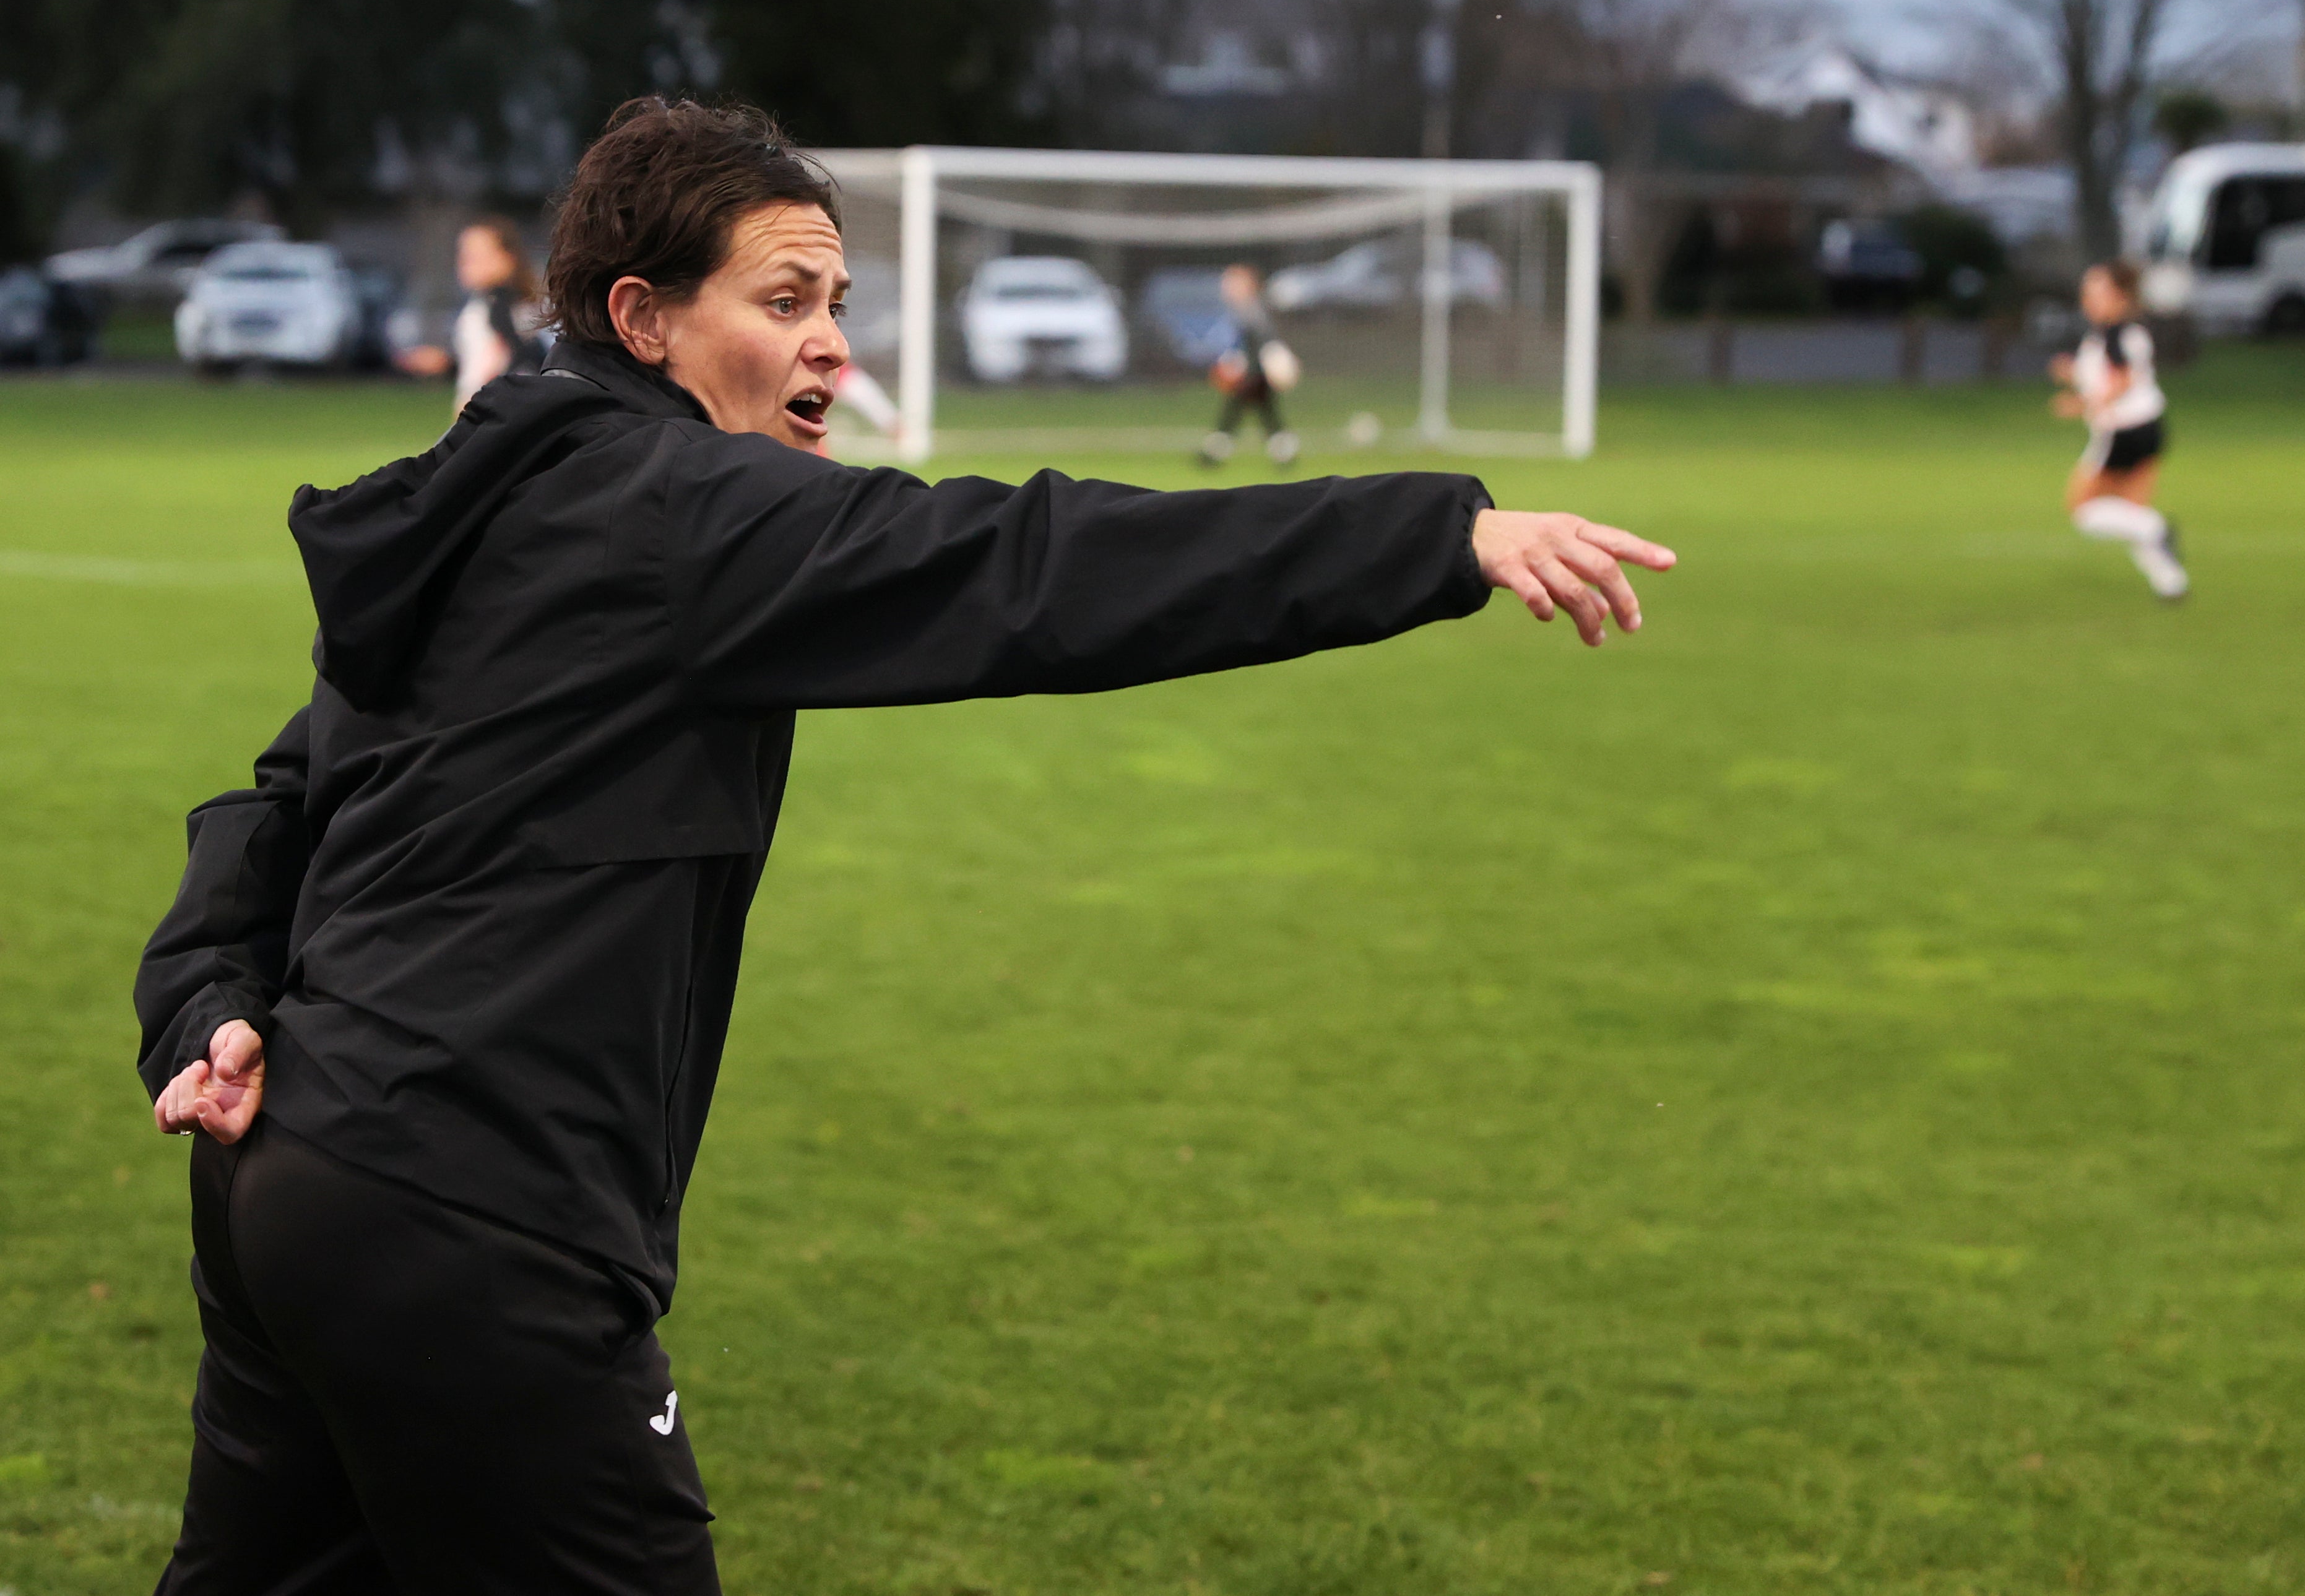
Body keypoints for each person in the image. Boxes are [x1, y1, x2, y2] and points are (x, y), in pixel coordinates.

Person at [133, 97, 1674, 1595]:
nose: (830, 343)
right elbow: (1029, 566)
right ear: (642, 318)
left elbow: (280, 790)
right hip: (471, 1216)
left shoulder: (492, 491)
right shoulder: (678, 509)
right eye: (784, 297)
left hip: (290, 1181)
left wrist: (203, 1000)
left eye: (836, 301)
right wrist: (1436, 537)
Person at [2051, 260, 2187, 601]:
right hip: (2150, 428)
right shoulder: (2123, 332)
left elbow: (2122, 382)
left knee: (2083, 509)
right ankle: (2171, 582)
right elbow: (2117, 374)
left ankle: (2158, 529)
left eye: (2097, 292)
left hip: (2124, 432)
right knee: (2130, 512)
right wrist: (2073, 372)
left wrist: (2079, 404)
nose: (2088, 300)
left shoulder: (2115, 333)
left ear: (2120, 296)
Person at [396, 216, 548, 411]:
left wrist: (486, 405)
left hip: (500, 418)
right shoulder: (491, 303)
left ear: (507, 258)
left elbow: (524, 360)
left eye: (477, 255)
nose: (465, 263)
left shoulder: (502, 306)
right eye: (463, 254)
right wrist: (448, 361)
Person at [1199, 263, 1299, 467]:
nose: (1226, 287)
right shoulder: (1243, 308)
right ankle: (1284, 453)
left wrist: (1244, 369)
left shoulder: (1251, 309)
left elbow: (1262, 344)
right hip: (1253, 372)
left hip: (1256, 373)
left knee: (1241, 411)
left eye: (1232, 282)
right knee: (1262, 413)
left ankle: (1215, 453)